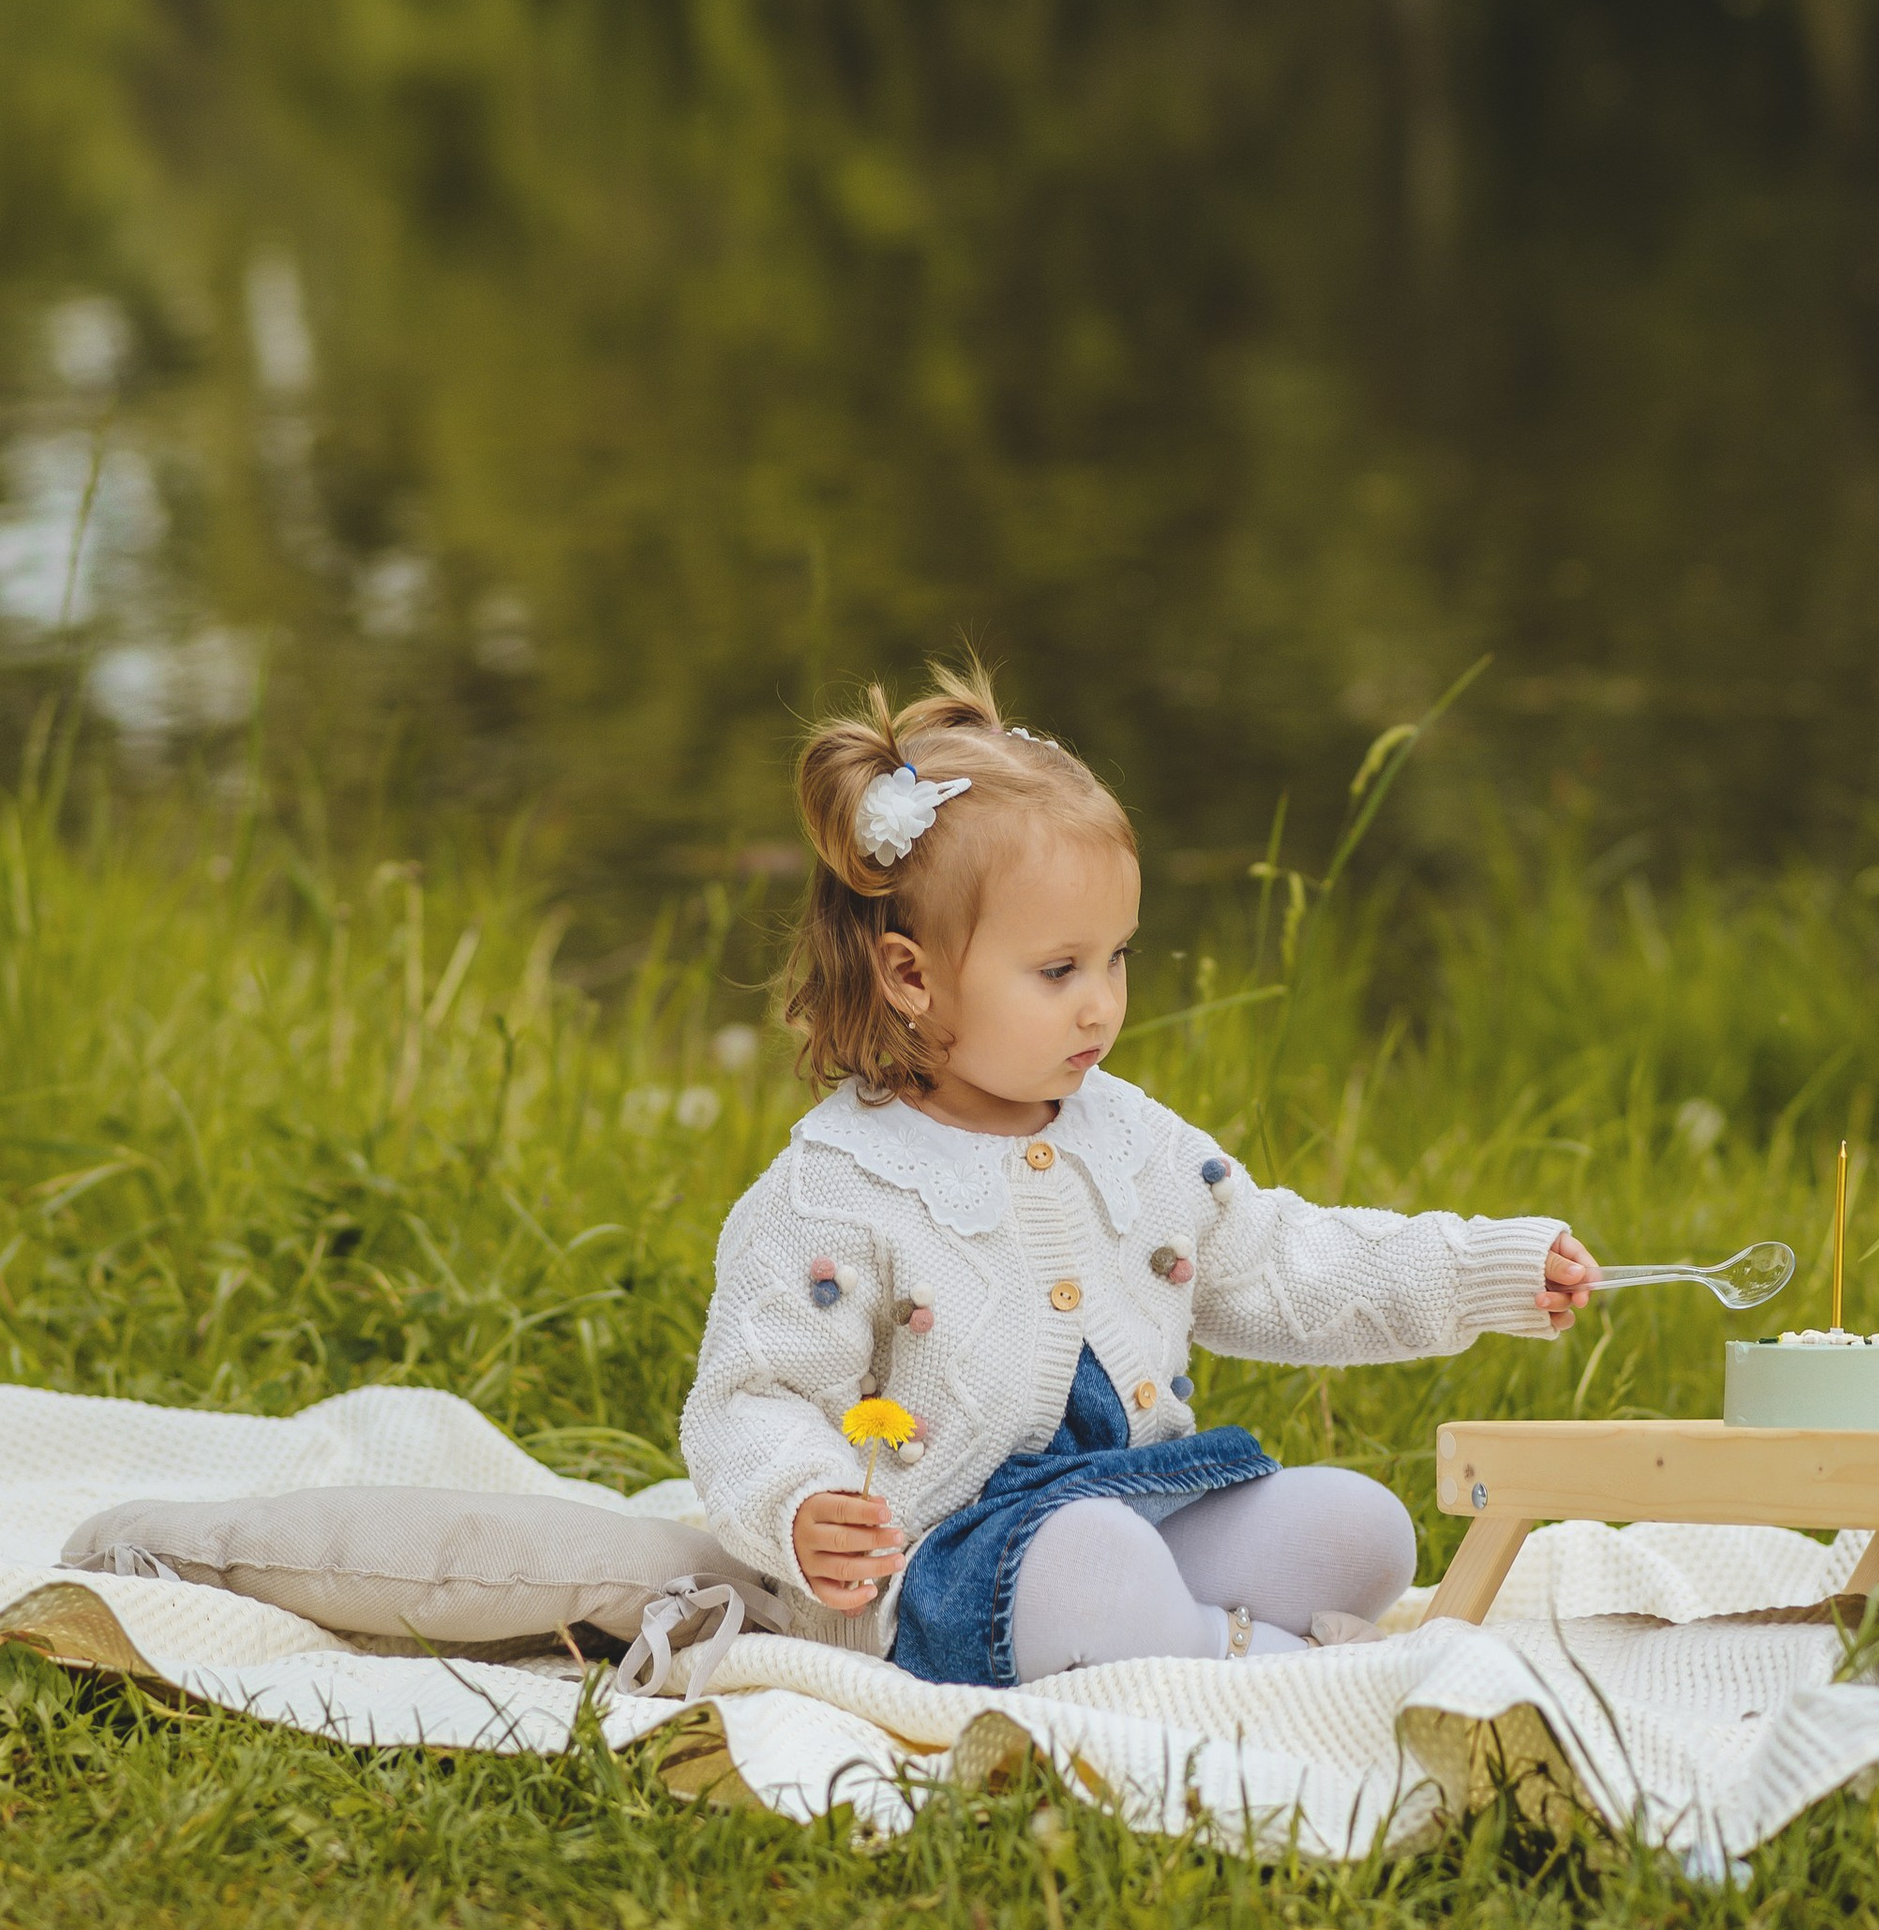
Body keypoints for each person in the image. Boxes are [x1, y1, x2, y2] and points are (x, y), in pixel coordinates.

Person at [680, 667, 1599, 1683]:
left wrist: (1480, 1270)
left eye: (1116, 958)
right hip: (943, 1570)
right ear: (911, 976)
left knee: (1363, 1528)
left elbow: (1283, 1263)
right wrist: (803, 1506)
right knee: (1092, 1559)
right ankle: (1258, 1668)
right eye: (1058, 971)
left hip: (1139, 1503)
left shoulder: (1132, 1139)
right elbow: (750, 1397)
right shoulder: (835, 1187)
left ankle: (1171, 1632)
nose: (1102, 1005)